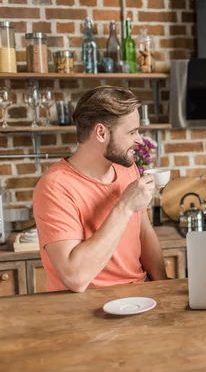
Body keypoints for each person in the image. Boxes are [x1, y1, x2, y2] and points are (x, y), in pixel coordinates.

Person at [32, 86, 168, 292]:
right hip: (83, 307)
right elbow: (75, 277)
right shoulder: (55, 187)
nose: (139, 140)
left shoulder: (127, 168)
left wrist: (163, 286)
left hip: (136, 295)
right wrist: (124, 207)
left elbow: (143, 232)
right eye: (132, 132)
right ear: (101, 132)